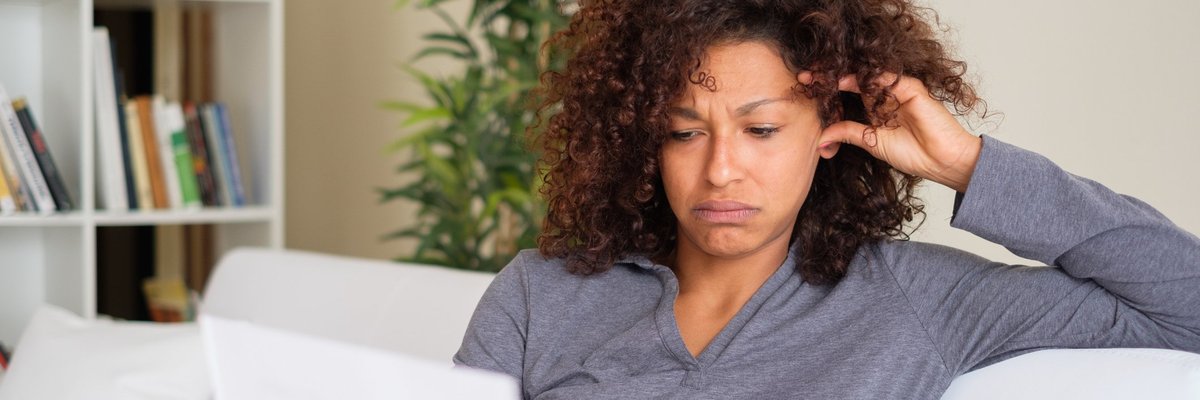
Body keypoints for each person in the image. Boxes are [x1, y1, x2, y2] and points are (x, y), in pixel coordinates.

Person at [454, 0, 1200, 398]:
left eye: (763, 129)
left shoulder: (914, 301)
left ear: (830, 132)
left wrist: (968, 166)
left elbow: (1186, 303)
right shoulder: (541, 294)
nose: (720, 171)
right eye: (684, 133)